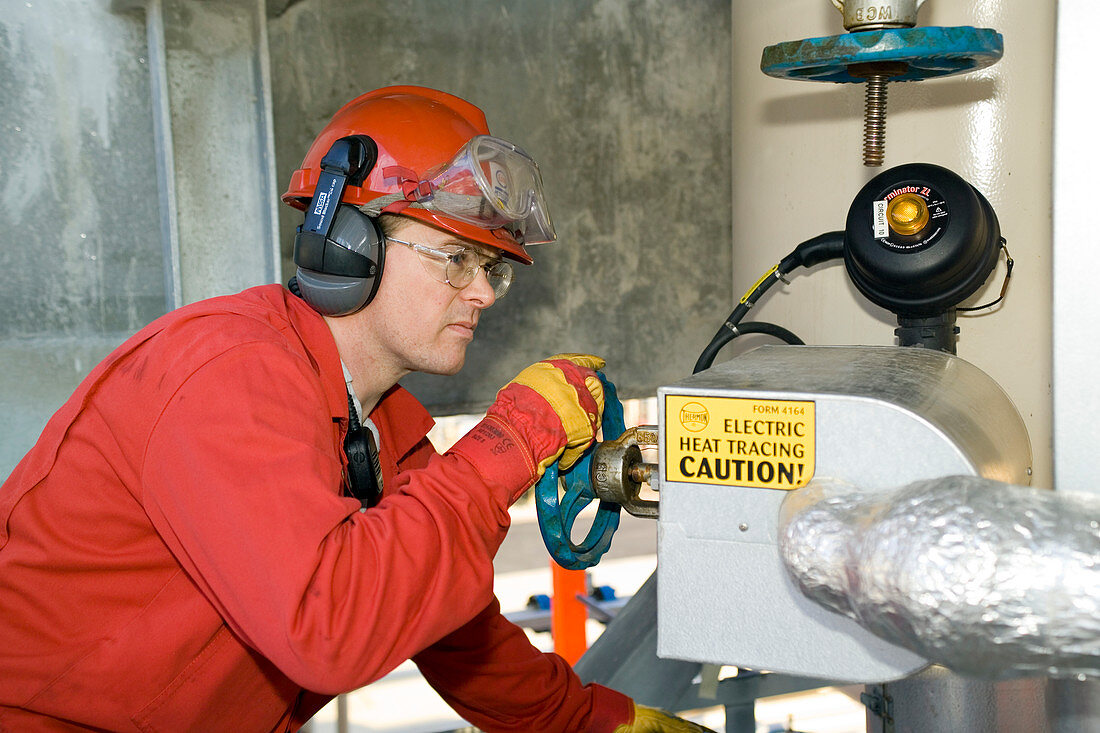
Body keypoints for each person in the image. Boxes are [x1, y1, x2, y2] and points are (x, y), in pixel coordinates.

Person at [0, 86, 714, 732]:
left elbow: (454, 630)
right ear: (348, 243)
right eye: (455, 259)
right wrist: (512, 438)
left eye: (491, 268)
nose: (485, 293)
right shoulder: (227, 374)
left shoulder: (376, 431)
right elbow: (329, 626)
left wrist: (599, 722)